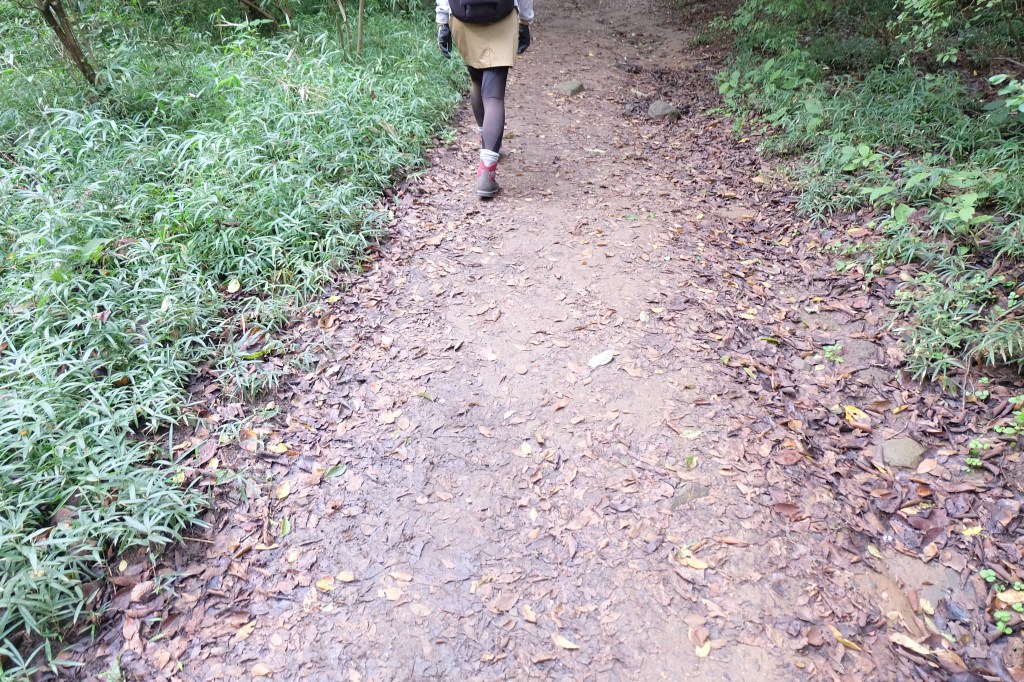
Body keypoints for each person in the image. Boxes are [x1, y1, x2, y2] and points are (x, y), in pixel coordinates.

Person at [436, 0, 534, 199]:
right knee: (493, 96)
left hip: (464, 18)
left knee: (477, 81)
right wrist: (525, 20)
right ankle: (486, 172)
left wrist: (443, 21)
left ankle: (487, 143)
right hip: (502, 19)